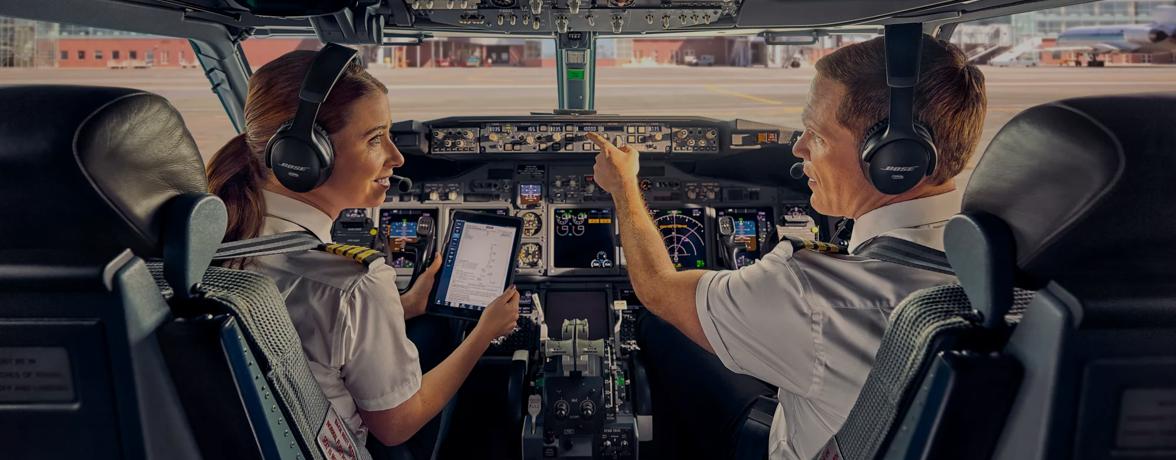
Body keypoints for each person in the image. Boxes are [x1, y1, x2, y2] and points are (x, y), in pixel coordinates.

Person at [587, 34, 986, 460]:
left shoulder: (813, 295)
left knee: (659, 323)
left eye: (816, 134)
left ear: (892, 159)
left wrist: (624, 187)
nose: (798, 149)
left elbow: (658, 287)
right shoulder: (1014, 269)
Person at [206, 50, 520, 459]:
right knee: (455, 338)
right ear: (304, 156)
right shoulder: (354, 283)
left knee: (430, 327)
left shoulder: (214, 239)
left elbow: (301, 328)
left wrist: (403, 305)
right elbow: (397, 426)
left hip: (249, 440)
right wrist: (484, 334)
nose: (397, 156)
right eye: (375, 139)